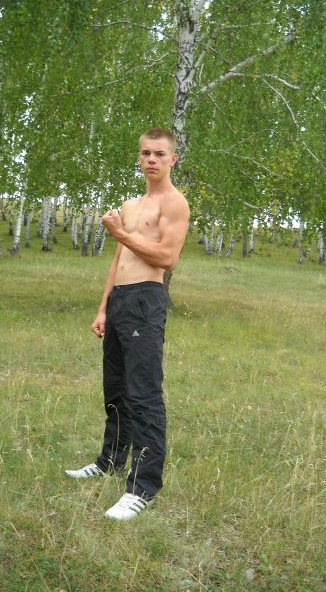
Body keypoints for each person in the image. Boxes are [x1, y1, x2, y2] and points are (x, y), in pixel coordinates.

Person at [65, 128, 190, 521]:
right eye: (145, 153)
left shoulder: (175, 203)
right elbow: (118, 260)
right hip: (119, 300)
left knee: (144, 395)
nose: (151, 159)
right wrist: (103, 307)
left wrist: (119, 232)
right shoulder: (130, 204)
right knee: (116, 389)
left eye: (159, 154)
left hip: (145, 301)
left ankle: (143, 488)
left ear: (173, 159)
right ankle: (110, 462)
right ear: (139, 157)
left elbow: (167, 258)